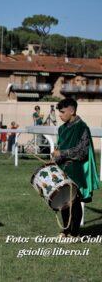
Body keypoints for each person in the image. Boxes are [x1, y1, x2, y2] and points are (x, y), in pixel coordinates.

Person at [51, 98, 99, 238]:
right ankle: (66, 231)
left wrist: (63, 153)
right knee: (64, 202)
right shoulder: (61, 129)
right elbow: (60, 149)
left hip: (76, 170)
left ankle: (75, 233)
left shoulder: (82, 127)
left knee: (74, 202)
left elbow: (82, 152)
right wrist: (55, 157)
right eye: (59, 112)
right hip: (62, 170)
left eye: (63, 112)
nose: (60, 115)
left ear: (72, 111)